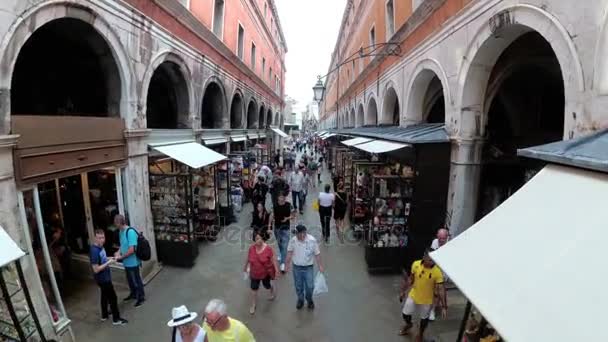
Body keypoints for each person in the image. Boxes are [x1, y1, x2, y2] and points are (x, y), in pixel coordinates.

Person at [399, 249, 447, 341]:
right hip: (413, 295)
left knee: (424, 320)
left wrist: (444, 307)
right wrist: (403, 291)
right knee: (405, 314)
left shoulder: (437, 272)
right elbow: (410, 279)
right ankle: (409, 324)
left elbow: (441, 289)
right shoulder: (415, 264)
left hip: (427, 301)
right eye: (430, 259)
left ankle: (420, 334)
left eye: (433, 260)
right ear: (424, 257)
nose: (432, 262)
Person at [89, 229, 128, 326]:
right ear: (95, 238)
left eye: (103, 237)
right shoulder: (94, 251)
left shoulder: (101, 247)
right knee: (113, 298)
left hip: (106, 277)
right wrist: (108, 263)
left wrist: (110, 258)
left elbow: (103, 259)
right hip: (103, 279)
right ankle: (116, 319)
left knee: (104, 296)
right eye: (99, 238)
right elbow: (96, 269)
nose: (102, 240)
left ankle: (104, 315)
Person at [285, 224, 324, 310]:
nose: (298, 236)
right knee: (298, 286)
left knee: (310, 286)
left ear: (304, 233)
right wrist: (286, 265)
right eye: (297, 234)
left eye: (300, 234)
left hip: (308, 267)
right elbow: (289, 253)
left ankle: (309, 300)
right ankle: (300, 300)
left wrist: (320, 266)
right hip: (296, 268)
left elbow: (317, 254)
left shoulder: (312, 240)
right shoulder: (293, 241)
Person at [243, 231, 279, 315]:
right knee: (254, 290)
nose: (258, 241)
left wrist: (276, 270)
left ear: (262, 238)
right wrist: (245, 267)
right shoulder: (251, 248)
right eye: (256, 239)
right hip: (254, 274)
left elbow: (273, 260)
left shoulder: (268, 249)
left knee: (267, 286)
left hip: (265, 274)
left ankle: (271, 290)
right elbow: (248, 259)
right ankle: (253, 304)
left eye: (260, 238)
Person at [113, 214, 145, 307]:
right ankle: (133, 293)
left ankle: (141, 297)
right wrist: (118, 252)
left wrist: (121, 257)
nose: (115, 225)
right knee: (130, 279)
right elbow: (122, 245)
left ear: (120, 223)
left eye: (116, 223)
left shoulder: (130, 232)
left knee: (136, 279)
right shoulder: (121, 231)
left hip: (133, 261)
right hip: (126, 262)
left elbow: (132, 249)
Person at [268, 194, 295, 273]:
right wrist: (269, 227)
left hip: (286, 228)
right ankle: (281, 254)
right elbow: (271, 216)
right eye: (280, 197)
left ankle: (283, 263)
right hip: (277, 228)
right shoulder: (274, 206)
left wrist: (287, 218)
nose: (281, 198)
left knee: (285, 245)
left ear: (285, 198)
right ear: (278, 198)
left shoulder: (289, 205)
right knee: (280, 244)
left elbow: (293, 215)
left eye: (283, 197)